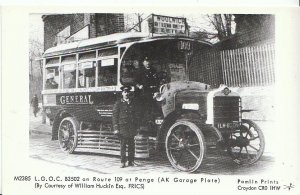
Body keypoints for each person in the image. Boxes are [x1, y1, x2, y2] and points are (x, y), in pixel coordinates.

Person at [112, 86, 140, 168]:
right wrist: (116, 128)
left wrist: (137, 127)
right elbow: (114, 116)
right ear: (122, 93)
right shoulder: (118, 103)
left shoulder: (133, 103)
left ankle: (131, 161)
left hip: (131, 127)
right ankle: (123, 162)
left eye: (128, 92)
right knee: (123, 145)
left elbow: (136, 116)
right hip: (122, 127)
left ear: (129, 93)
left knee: (132, 145)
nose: (126, 94)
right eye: (125, 92)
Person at [135, 56, 160, 123]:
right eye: (146, 61)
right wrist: (139, 86)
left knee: (155, 108)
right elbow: (135, 82)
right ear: (143, 63)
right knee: (146, 108)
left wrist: (157, 91)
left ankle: (153, 121)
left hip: (154, 92)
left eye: (149, 61)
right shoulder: (140, 71)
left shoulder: (153, 70)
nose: (147, 63)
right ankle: (146, 123)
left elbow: (157, 81)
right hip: (145, 92)